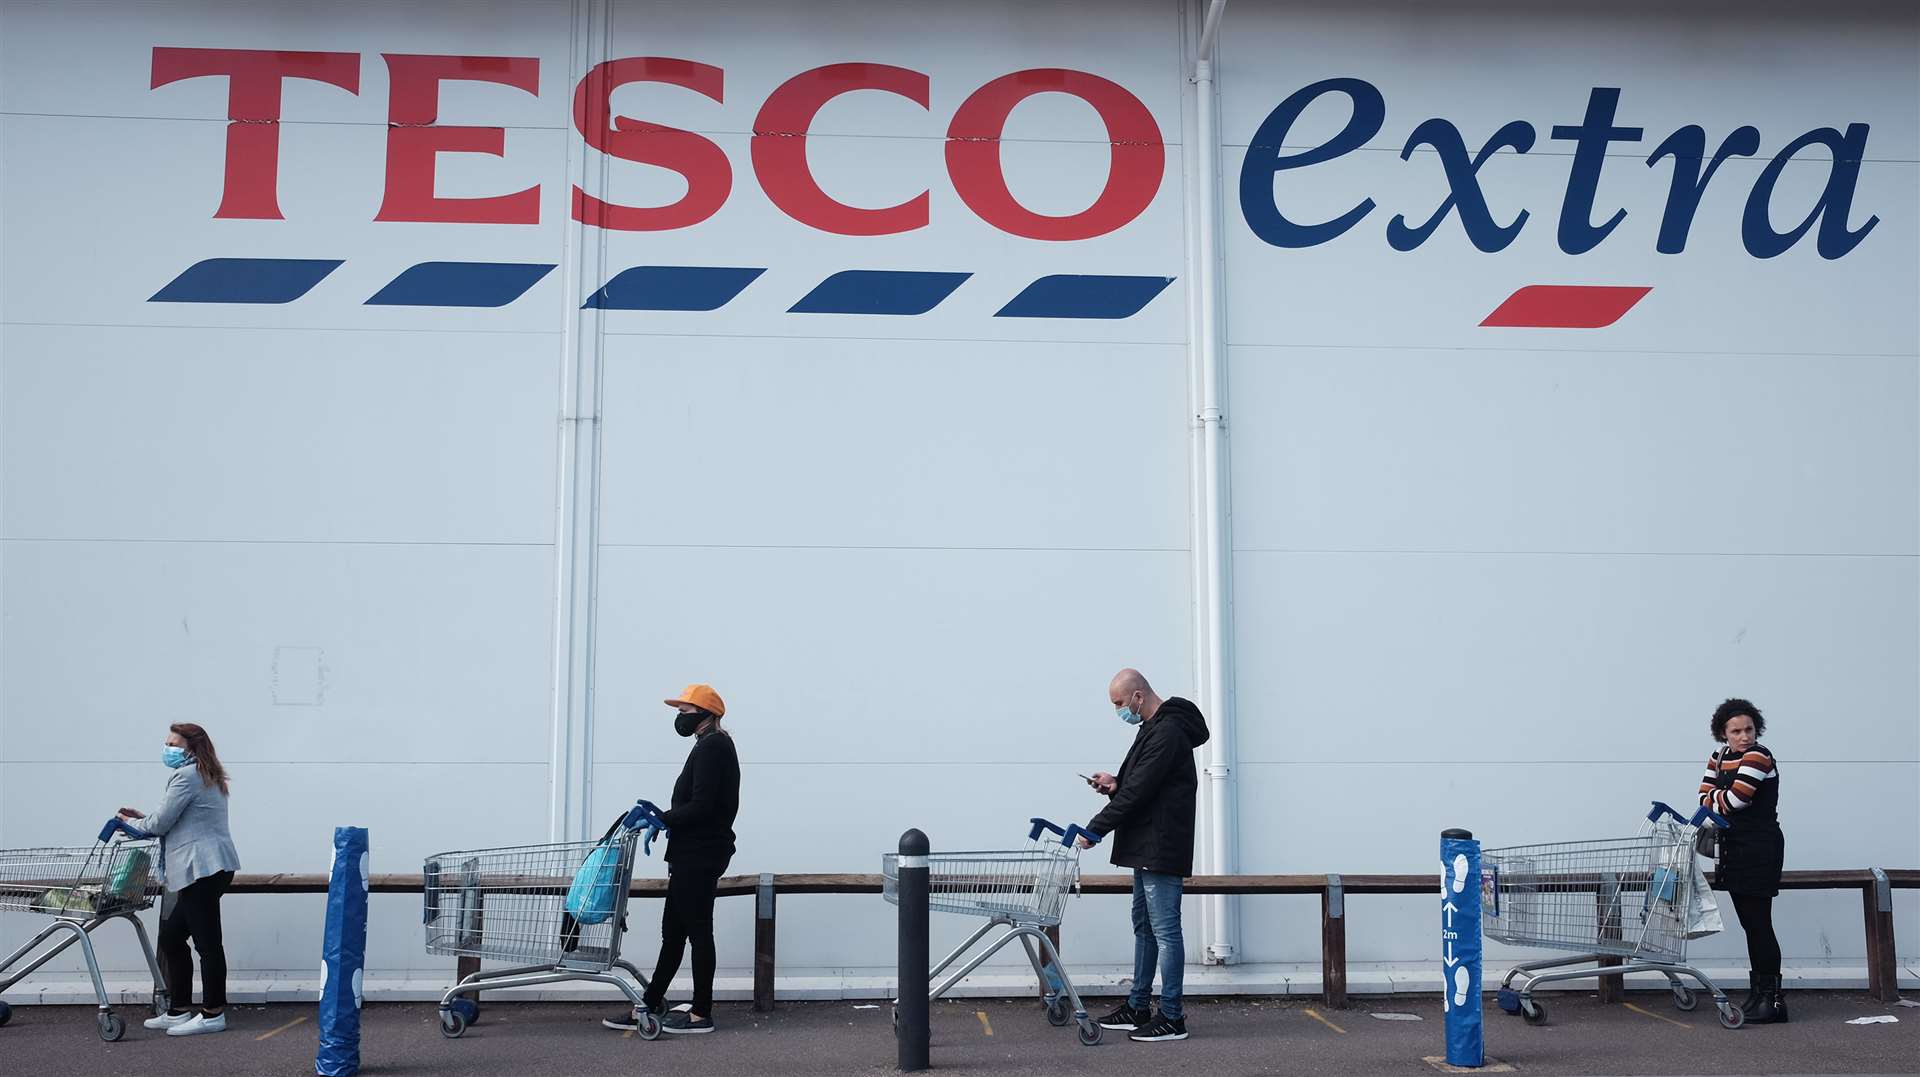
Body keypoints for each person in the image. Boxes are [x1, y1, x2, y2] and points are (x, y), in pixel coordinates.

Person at [1077, 668, 1209, 1043]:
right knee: (1145, 926)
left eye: (1120, 703)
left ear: (1138, 696)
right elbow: (1137, 787)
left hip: (1160, 845)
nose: (1119, 711)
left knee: (1165, 930)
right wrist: (1115, 785)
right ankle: (1138, 1006)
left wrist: (1095, 829)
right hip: (1147, 844)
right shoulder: (1152, 729)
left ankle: (1171, 1016)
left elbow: (1140, 794)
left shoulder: (1167, 732)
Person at [604, 684, 741, 1036]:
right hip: (690, 853)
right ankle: (647, 1006)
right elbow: (697, 805)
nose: (679, 718)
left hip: (700, 854)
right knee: (674, 934)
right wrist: (663, 817)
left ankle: (700, 1013)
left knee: (696, 933)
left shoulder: (713, 747)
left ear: (706, 714)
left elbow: (703, 805)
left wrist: (663, 819)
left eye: (684, 712)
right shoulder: (708, 745)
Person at [118, 723, 242, 1037]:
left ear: (191, 748)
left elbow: (159, 823)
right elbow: (179, 819)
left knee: (208, 943)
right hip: (210, 867)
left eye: (173, 743)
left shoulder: (186, 776)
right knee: (172, 937)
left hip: (202, 869)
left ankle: (213, 1014)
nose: (167, 748)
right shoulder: (206, 775)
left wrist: (129, 822)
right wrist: (142, 818)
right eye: (166, 742)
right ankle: (178, 1010)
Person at [1698, 697, 1786, 1024]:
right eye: (1736, 731)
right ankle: (1758, 995)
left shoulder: (1759, 757)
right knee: (1750, 925)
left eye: (1749, 729)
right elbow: (1704, 800)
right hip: (1733, 847)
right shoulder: (1718, 756)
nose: (1744, 736)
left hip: (1760, 847)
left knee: (1760, 923)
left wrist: (1715, 799)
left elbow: (1734, 801)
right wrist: (1716, 800)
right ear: (1723, 733)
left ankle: (1773, 1001)